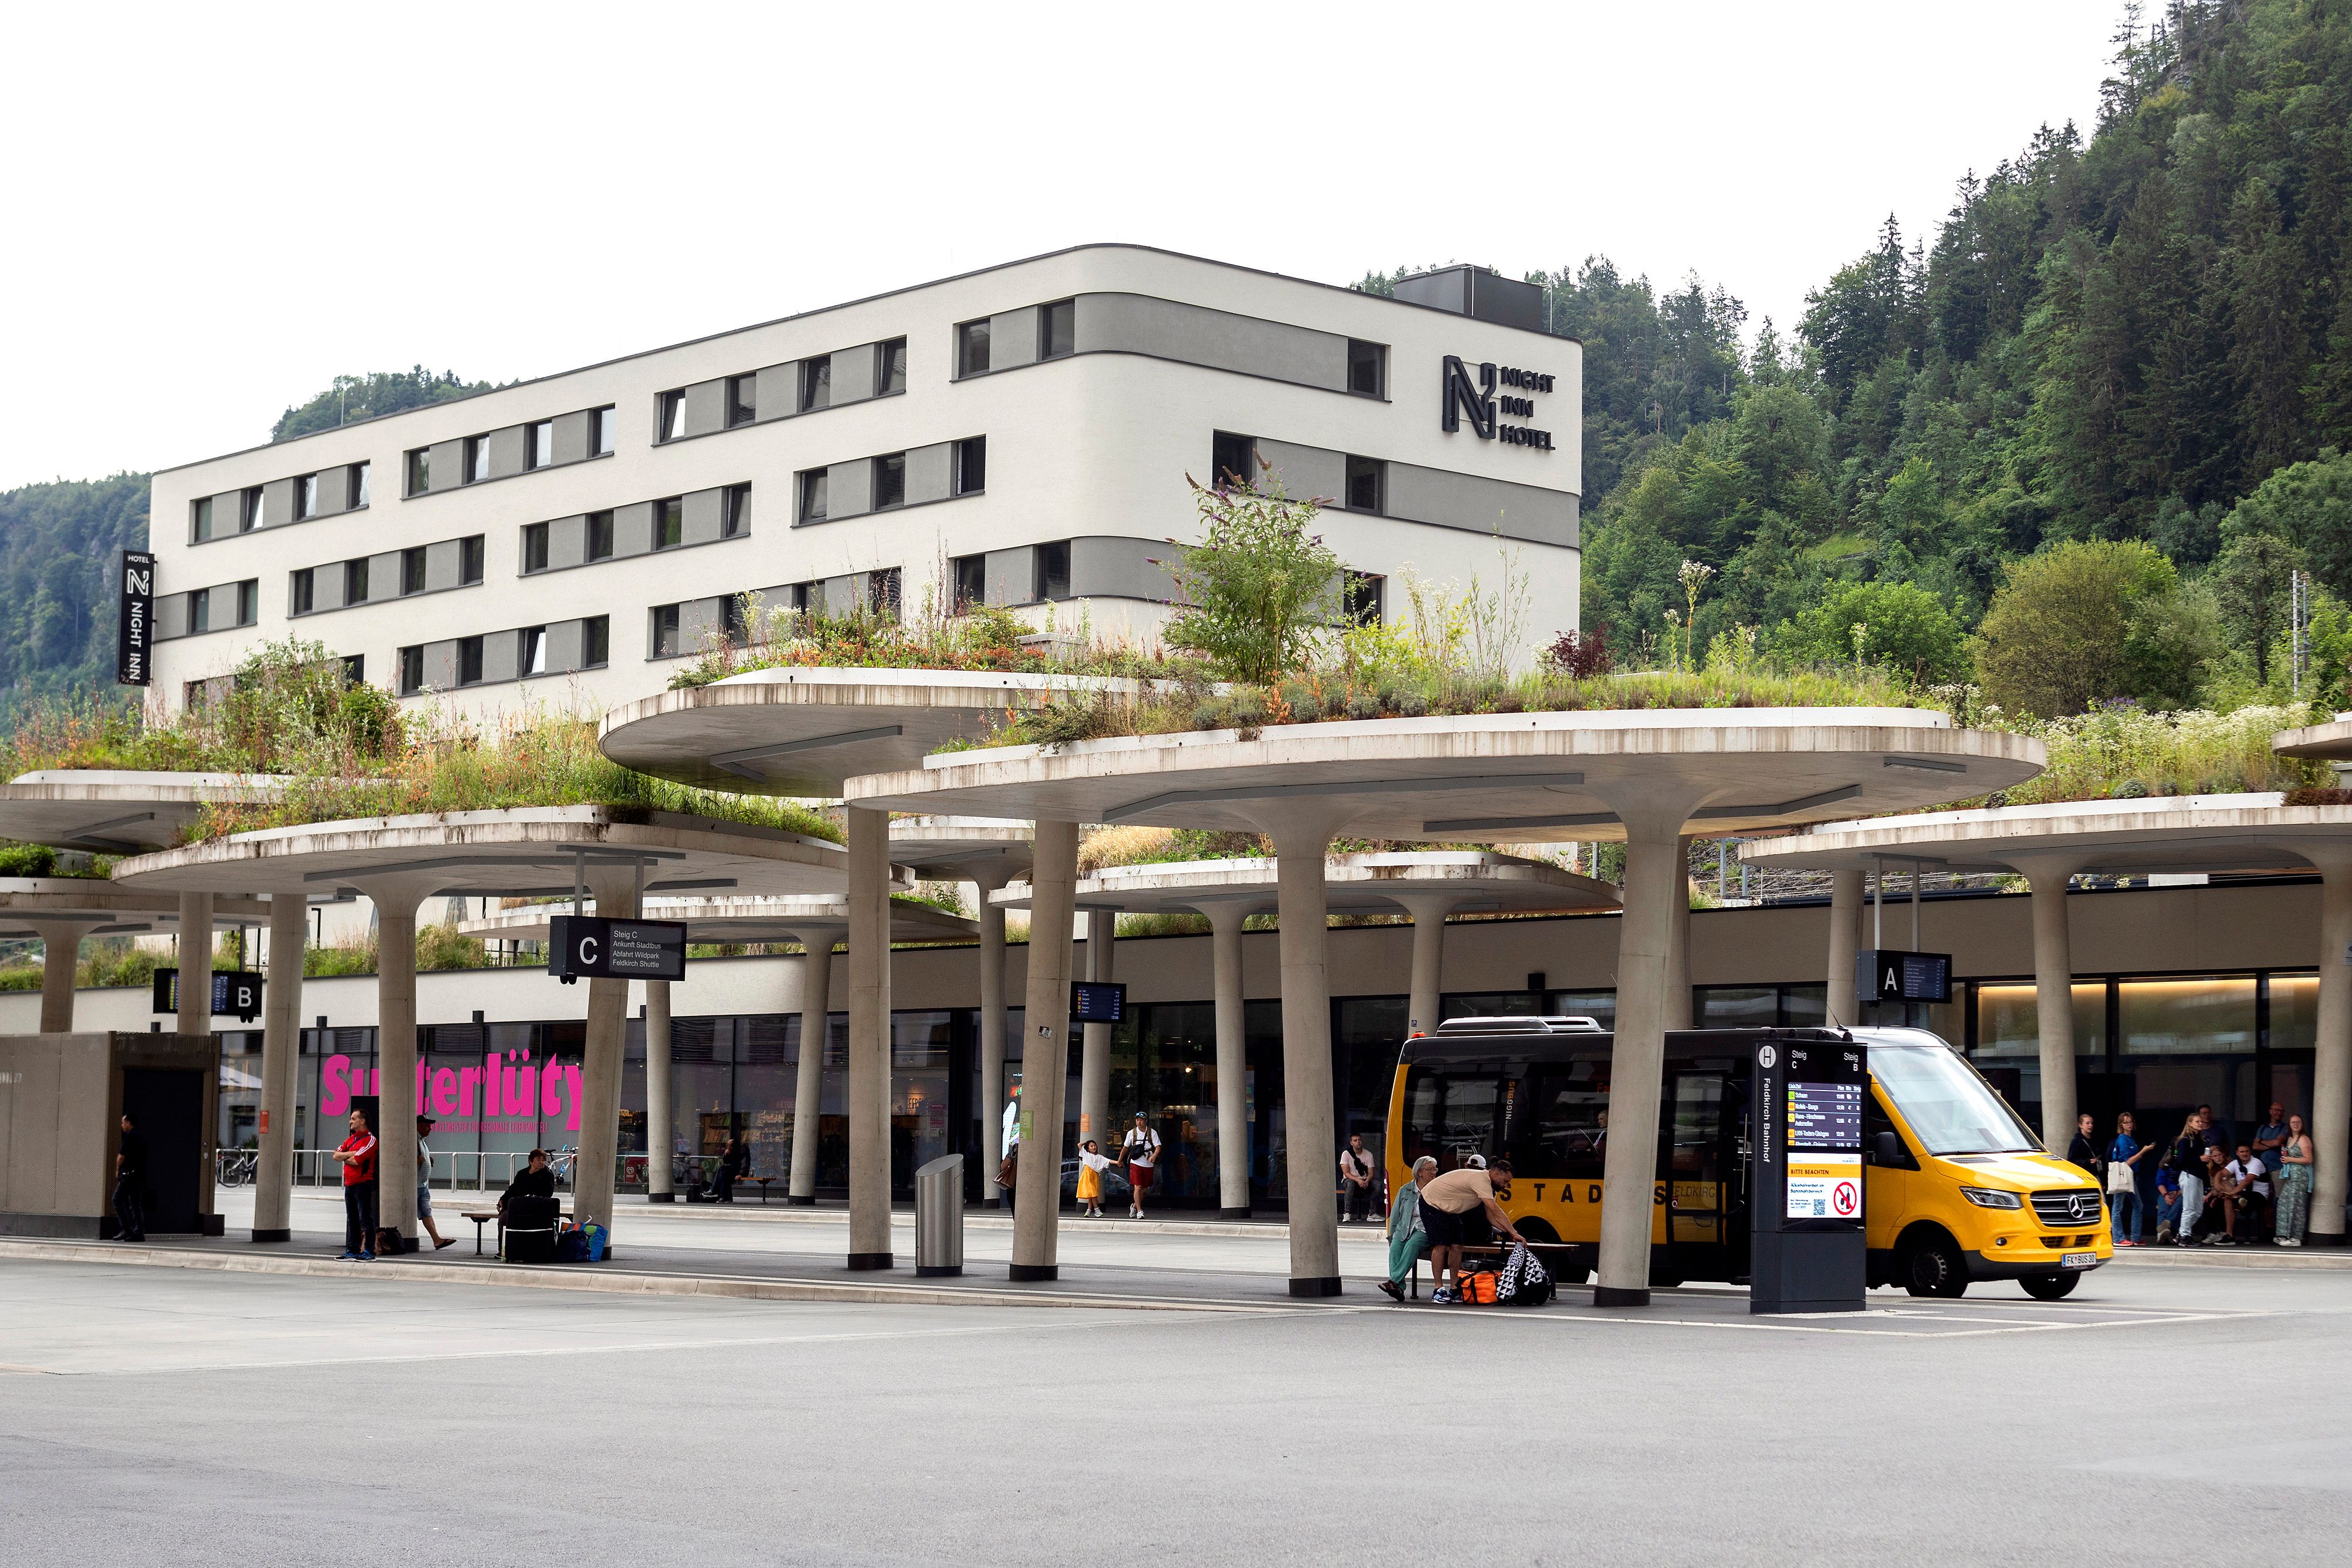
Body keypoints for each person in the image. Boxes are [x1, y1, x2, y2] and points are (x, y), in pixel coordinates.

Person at [1417, 1157, 1525, 1305]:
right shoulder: (1481, 1180)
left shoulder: (1489, 1188)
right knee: (1440, 1244)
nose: (1506, 1185)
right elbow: (1496, 1210)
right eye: (1505, 1181)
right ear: (1497, 1174)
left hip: (1448, 1209)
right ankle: (1438, 1289)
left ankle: (1455, 1288)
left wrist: (1507, 1233)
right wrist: (1513, 1232)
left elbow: (1490, 1216)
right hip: (1431, 1202)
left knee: (1457, 1245)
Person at [1380, 1155, 1438, 1302]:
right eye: (1430, 1170)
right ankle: (1398, 1288)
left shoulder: (1437, 1190)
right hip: (1404, 1228)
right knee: (1395, 1248)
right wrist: (1392, 1235)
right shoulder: (1405, 1190)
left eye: (1434, 1169)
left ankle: (1393, 1282)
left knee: (1412, 1245)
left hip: (1424, 1230)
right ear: (1420, 1173)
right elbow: (1395, 1215)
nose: (1434, 1172)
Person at [330, 1108, 379, 1261]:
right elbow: (335, 1156)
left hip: (363, 1183)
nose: (350, 1121)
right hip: (350, 1183)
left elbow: (357, 1161)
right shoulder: (351, 1139)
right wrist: (352, 1153)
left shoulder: (371, 1140)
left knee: (365, 1218)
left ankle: (369, 1251)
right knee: (352, 1219)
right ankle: (353, 1250)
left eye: (353, 1119)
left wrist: (347, 1156)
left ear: (362, 1121)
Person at [2107, 1112, 2150, 1246]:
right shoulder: (2123, 1139)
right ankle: (2118, 1238)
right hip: (2123, 1175)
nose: (2129, 1125)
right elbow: (2128, 1161)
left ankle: (2135, 1237)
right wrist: (2143, 1151)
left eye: (2130, 1122)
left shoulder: (2129, 1139)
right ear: (2121, 1125)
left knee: (2137, 1205)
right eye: (2126, 1123)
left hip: (2130, 1176)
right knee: (2118, 1207)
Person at [414, 1115, 455, 1250]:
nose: (430, 1129)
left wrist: (428, 1160)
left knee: (426, 1212)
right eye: (427, 1126)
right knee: (412, 1212)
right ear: (418, 1126)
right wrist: (417, 1161)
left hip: (423, 1185)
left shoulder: (422, 1140)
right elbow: (402, 1161)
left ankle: (437, 1239)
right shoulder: (413, 1139)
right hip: (415, 1186)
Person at [2167, 1112, 2209, 1245]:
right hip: (2188, 1175)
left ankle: (2182, 1233)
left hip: (2198, 1176)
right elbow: (2181, 1161)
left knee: (2198, 1210)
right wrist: (2199, 1159)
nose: (2200, 1123)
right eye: (2197, 1121)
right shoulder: (2185, 1140)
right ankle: (2185, 1236)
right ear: (2190, 1124)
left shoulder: (2199, 1140)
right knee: (2189, 1208)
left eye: (2201, 1121)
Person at [2274, 1113, 2314, 1246]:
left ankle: (2296, 1237)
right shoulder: (2290, 1138)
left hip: (2300, 1177)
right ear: (2289, 1125)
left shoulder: (2304, 1139)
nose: (2296, 1124)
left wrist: (2290, 1159)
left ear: (2302, 1124)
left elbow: (2308, 1159)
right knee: (2283, 1203)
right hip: (2291, 1177)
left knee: (2296, 1206)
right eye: (2293, 1122)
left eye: (2298, 1122)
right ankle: (2283, 1234)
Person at [2220, 1142, 2270, 1244]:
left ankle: (2236, 1199)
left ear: (2250, 1152)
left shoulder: (2256, 1163)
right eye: (2242, 1152)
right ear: (2237, 1153)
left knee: (2229, 1198)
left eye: (2247, 1151)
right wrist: (2217, 1184)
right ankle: (2229, 1235)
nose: (2245, 1154)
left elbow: (2247, 1181)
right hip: (2241, 1194)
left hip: (2258, 1195)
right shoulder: (2235, 1163)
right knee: (2224, 1188)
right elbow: (2221, 1174)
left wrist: (2232, 1193)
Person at [112, 1112, 146, 1243]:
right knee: (135, 1203)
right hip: (140, 1174)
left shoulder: (130, 1136)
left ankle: (127, 1229)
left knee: (117, 1199)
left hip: (129, 1175)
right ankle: (139, 1232)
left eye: (123, 1123)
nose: (122, 1125)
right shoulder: (142, 1136)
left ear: (129, 1123)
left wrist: (118, 1170)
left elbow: (122, 1156)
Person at [1121, 1111, 1161, 1220]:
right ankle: (1139, 1211)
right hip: (1136, 1163)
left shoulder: (1152, 1133)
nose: (1139, 1122)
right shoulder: (1131, 1133)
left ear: (1146, 1121)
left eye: (1141, 1120)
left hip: (1148, 1163)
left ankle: (1134, 1206)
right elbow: (1125, 1148)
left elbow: (1158, 1146)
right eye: (1137, 1120)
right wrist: (1120, 1160)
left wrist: (1154, 1156)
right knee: (1137, 1187)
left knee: (1144, 1190)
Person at [499, 1148, 557, 1218]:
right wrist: (503, 1199)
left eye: (543, 1160)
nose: (542, 1162)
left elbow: (548, 1194)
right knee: (503, 1219)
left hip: (537, 1208)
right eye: (539, 1160)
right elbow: (513, 1189)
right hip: (519, 1206)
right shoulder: (522, 1173)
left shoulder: (547, 1175)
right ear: (531, 1161)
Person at [1339, 1135, 1377, 1225]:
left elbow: (1371, 1173)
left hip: (1364, 1180)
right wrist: (1358, 1180)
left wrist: (1367, 1181)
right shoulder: (1346, 1154)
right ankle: (1347, 1213)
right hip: (1350, 1180)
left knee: (1377, 1185)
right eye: (1355, 1140)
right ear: (1351, 1143)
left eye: (1359, 1140)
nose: (1358, 1142)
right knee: (1350, 1184)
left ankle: (1372, 1214)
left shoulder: (1368, 1154)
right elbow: (1346, 1173)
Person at [2253, 1102, 2291, 1183]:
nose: (2279, 1113)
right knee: (2264, 1190)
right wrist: (2272, 1145)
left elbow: (2278, 1143)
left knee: (2278, 1191)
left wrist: (2262, 1141)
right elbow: (2255, 1146)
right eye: (2277, 1110)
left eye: (2282, 1111)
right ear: (2270, 1111)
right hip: (2262, 1167)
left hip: (2278, 1167)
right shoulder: (2263, 1128)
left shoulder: (2285, 1127)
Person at [1075, 1139, 1111, 1217]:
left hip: (1095, 1176)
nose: (1094, 1147)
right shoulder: (1086, 1154)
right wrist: (1087, 1142)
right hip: (1087, 1175)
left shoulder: (1099, 1157)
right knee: (1093, 1193)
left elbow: (1108, 1161)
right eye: (1091, 1146)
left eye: (1095, 1146)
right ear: (1088, 1148)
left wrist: (1118, 1162)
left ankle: (1088, 1211)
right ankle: (1097, 1209)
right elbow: (1079, 1145)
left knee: (1092, 1194)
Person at [2065, 1112, 2102, 1183]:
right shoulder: (2077, 1141)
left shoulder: (2095, 1139)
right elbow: (2071, 1160)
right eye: (2087, 1123)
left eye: (2092, 1123)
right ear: (2080, 1125)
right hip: (2083, 1175)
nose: (2090, 1125)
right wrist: (2088, 1162)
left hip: (2096, 1173)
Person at [714, 1134, 750, 1203]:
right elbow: (726, 1162)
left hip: (739, 1171)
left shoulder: (742, 1149)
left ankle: (715, 1191)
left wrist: (741, 1174)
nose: (727, 1147)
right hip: (733, 1169)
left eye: (729, 1146)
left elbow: (745, 1162)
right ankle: (726, 1198)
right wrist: (726, 1155)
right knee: (723, 1173)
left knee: (723, 1171)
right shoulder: (733, 1151)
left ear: (733, 1146)